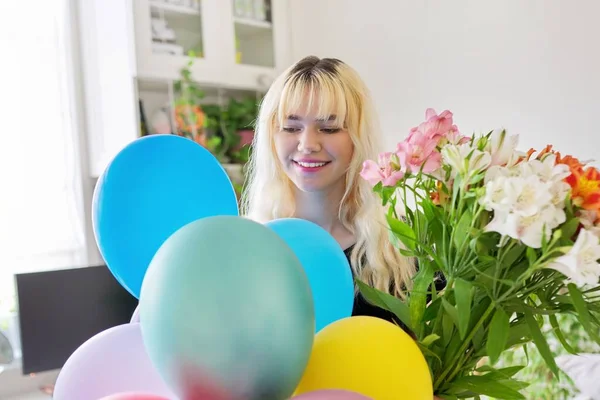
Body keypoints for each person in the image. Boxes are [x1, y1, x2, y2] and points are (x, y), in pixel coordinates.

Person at [240, 55, 416, 330]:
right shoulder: (246, 248)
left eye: (329, 128)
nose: (307, 144)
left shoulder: (404, 249)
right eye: (291, 127)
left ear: (360, 137)